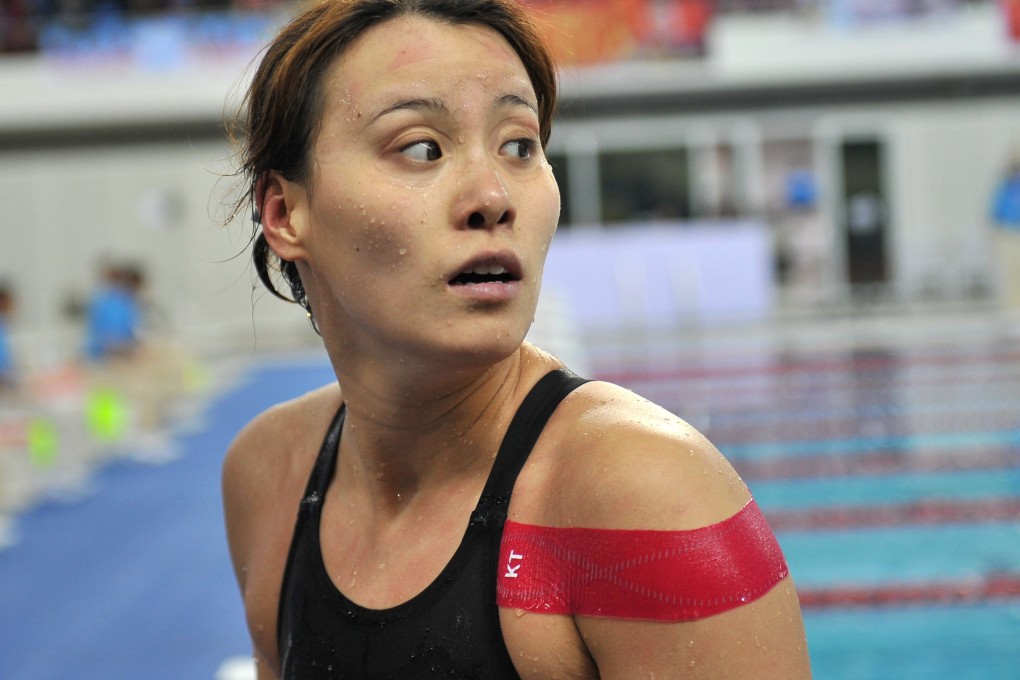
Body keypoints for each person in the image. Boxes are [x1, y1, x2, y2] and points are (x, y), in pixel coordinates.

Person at [221, 1, 812, 678]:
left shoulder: (642, 495)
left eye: (519, 145)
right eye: (421, 148)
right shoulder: (270, 475)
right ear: (285, 213)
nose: (493, 194)